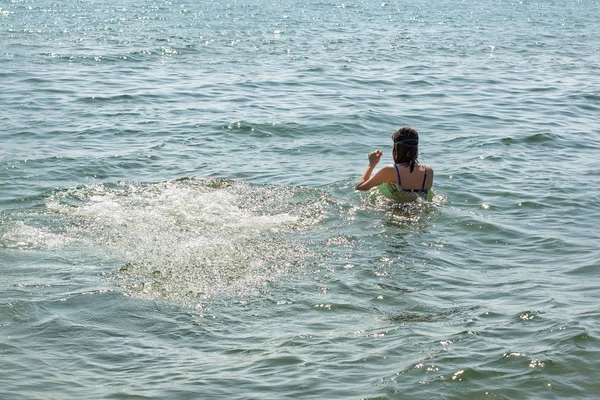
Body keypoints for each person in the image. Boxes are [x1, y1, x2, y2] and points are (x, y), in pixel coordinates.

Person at [355, 126, 433, 196]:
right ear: (416, 147)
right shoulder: (428, 171)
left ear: (396, 148)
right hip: (421, 211)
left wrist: (372, 164)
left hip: (396, 210)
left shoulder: (390, 170)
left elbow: (360, 187)